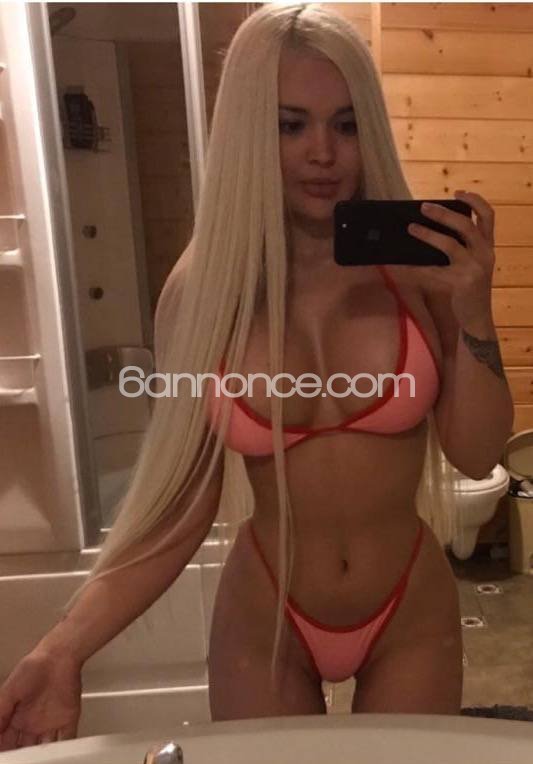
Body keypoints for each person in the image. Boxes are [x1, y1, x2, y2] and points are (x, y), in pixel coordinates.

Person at [0, 3, 514, 750]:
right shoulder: (203, 294)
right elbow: (183, 504)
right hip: (266, 611)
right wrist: (61, 650)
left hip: (408, 603)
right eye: (289, 124)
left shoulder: (415, 272)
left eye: (345, 125)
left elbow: (476, 453)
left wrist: (473, 311)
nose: (323, 153)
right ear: (247, 130)